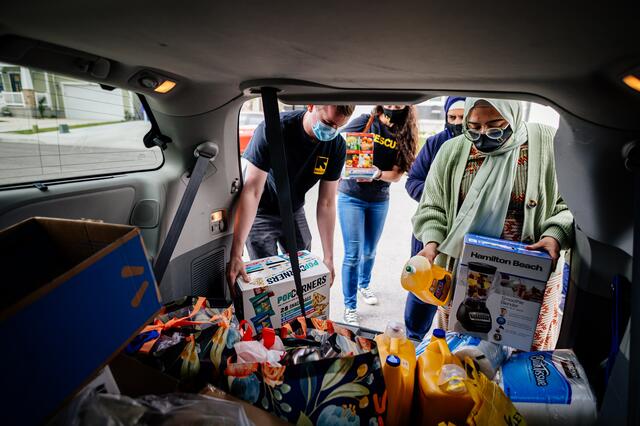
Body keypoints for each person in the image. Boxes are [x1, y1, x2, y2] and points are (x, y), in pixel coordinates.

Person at [412, 98, 573, 350]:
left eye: (496, 126)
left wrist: (555, 235)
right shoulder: (452, 150)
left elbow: (571, 203)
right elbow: (432, 206)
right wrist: (432, 243)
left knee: (523, 356)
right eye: (474, 127)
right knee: (460, 353)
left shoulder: (547, 144)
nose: (484, 135)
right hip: (465, 274)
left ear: (514, 116)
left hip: (529, 273)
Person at [226, 105, 355, 293]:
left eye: (338, 127)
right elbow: (252, 190)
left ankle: (297, 317)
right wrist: (236, 253)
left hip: (294, 209)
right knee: (266, 279)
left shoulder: (336, 146)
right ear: (311, 105)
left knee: (304, 269)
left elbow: (327, 202)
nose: (332, 131)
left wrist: (329, 257)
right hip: (261, 211)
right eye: (328, 123)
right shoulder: (275, 129)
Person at [338, 105, 419, 326]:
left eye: (399, 102)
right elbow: (337, 138)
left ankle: (364, 284)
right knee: (353, 254)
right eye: (389, 101)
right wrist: (346, 162)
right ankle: (350, 306)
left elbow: (397, 174)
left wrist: (377, 173)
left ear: (407, 105)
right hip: (351, 196)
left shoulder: (404, 131)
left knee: (370, 251)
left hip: (378, 200)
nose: (393, 106)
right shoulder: (366, 121)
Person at [403, 96, 465, 340]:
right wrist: (436, 198)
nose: (457, 123)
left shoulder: (481, 148)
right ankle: (413, 336)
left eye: (462, 117)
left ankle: (449, 341)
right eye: (452, 118)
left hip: (462, 234)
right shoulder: (435, 143)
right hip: (430, 229)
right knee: (423, 284)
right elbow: (412, 182)